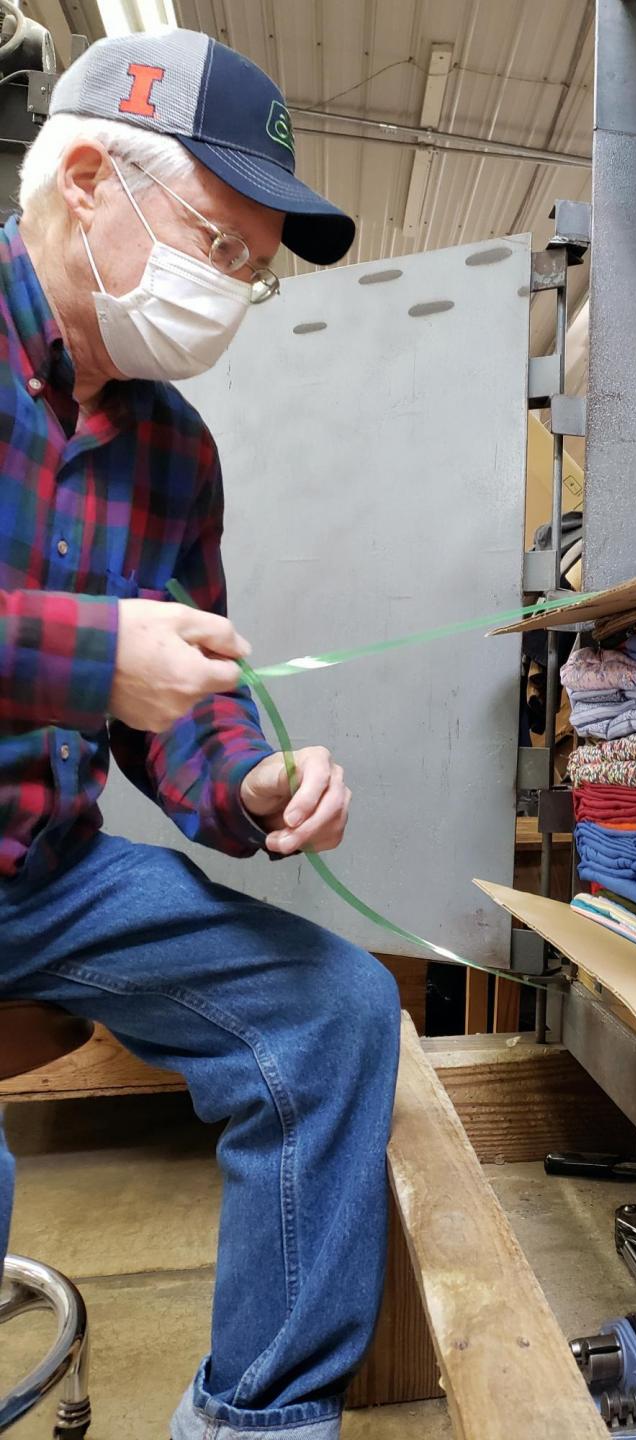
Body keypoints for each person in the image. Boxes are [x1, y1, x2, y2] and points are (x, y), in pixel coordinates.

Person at [0, 29, 400, 1440]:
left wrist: (249, 777)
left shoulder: (174, 448)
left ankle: (256, 1420)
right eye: (219, 247)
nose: (232, 292)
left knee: (336, 1012)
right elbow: (118, 664)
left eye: (251, 268)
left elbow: (183, 698)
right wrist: (96, 654)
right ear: (90, 178)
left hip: (42, 871)